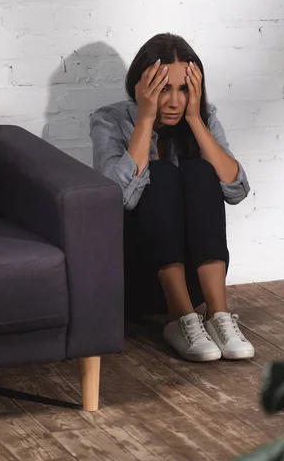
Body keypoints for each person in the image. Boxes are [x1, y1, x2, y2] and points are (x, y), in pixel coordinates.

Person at [89, 33, 254, 362]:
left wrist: (196, 119)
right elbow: (116, 200)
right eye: (164, 88)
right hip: (138, 276)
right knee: (160, 173)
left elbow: (235, 189)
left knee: (199, 171)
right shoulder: (109, 120)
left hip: (194, 282)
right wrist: (146, 119)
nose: (176, 101)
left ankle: (218, 315)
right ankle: (178, 319)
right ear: (142, 86)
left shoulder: (200, 116)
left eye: (184, 89)